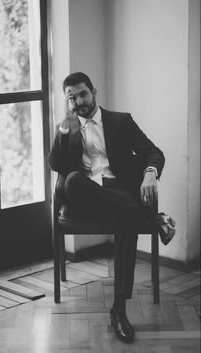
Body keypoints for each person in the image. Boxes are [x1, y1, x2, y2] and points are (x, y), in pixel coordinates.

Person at [48, 72, 175, 343]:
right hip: (85, 199)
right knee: (72, 180)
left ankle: (118, 310)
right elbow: (56, 165)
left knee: (124, 216)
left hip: (119, 197)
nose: (79, 101)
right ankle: (152, 219)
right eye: (72, 97)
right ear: (67, 102)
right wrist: (62, 131)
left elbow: (153, 151)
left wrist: (150, 173)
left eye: (83, 93)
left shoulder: (120, 121)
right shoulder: (66, 129)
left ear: (94, 92)